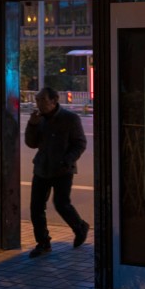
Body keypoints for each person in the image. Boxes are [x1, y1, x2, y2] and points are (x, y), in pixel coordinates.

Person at [25, 86, 89, 258]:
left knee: (61, 204)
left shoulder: (70, 118)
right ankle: (43, 243)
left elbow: (80, 143)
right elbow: (31, 143)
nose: (38, 103)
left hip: (62, 169)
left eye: (42, 100)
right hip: (42, 168)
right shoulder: (39, 120)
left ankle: (80, 227)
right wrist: (32, 125)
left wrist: (67, 160)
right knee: (36, 207)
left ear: (53, 101)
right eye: (37, 100)